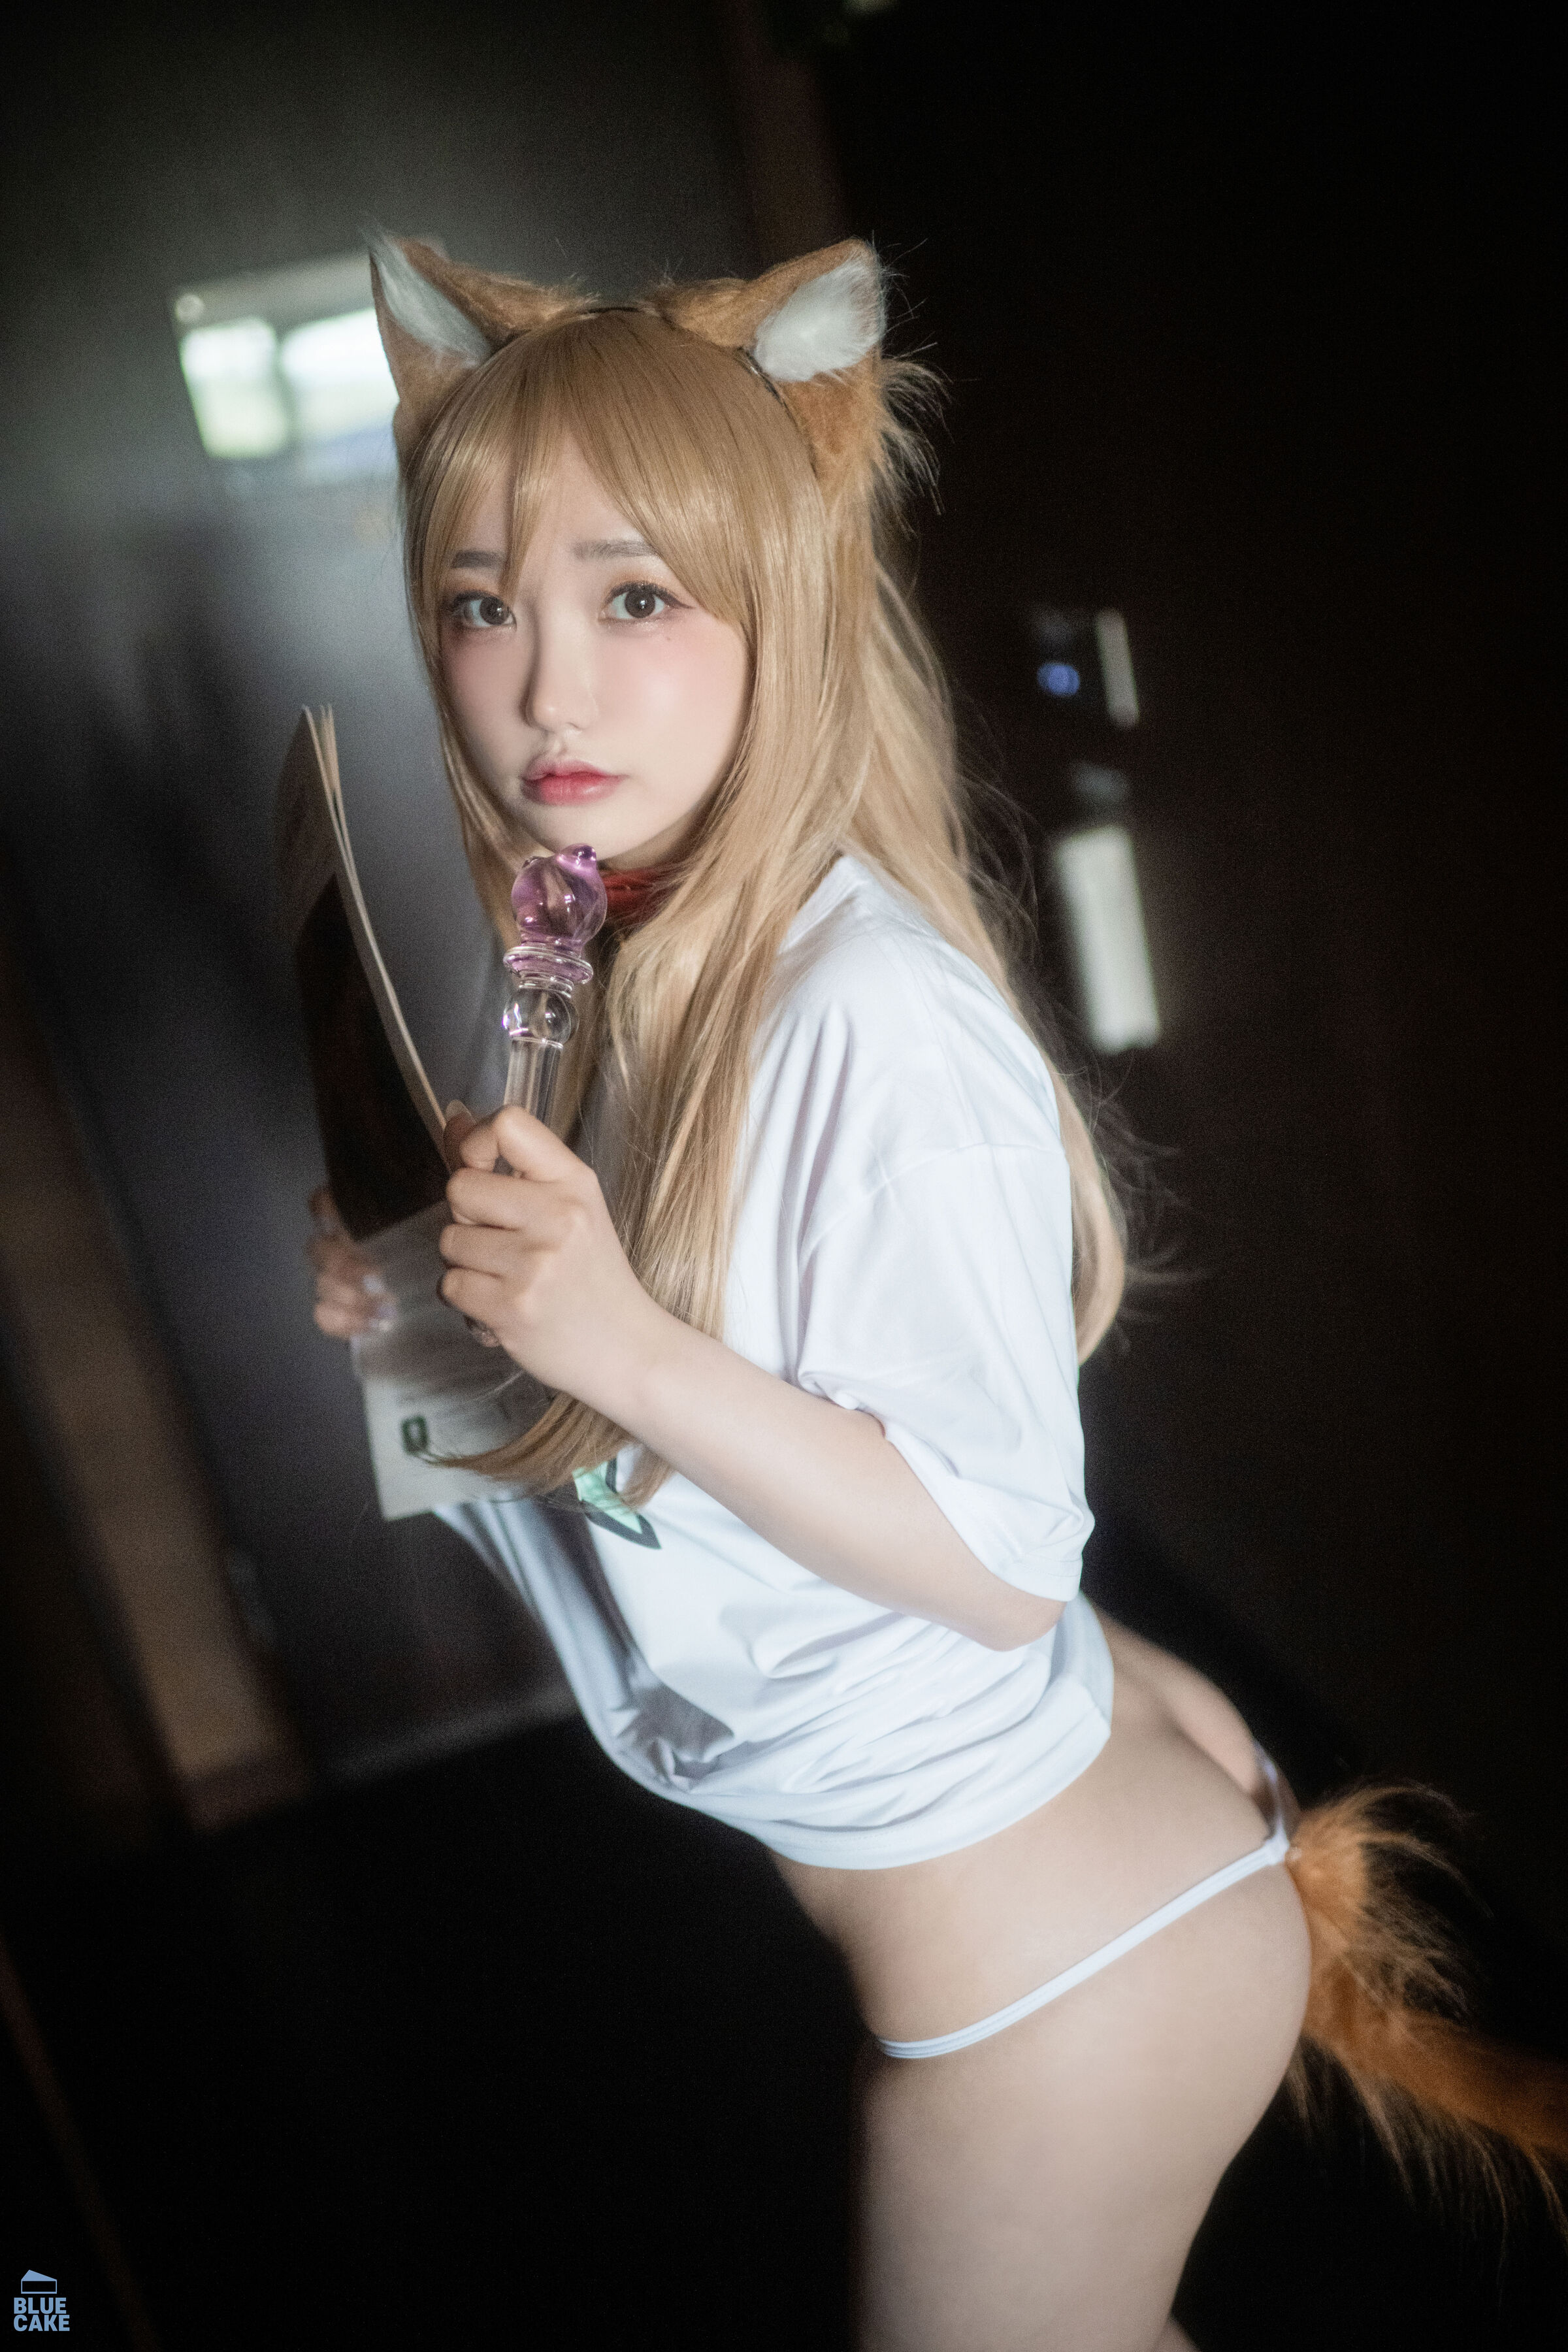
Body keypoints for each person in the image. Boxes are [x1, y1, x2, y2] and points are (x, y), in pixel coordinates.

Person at [306, 232, 1565, 2350]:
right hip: (1088, 1841)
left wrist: (611, 1340)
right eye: (481, 603)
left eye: (638, 597)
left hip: (1061, 1980)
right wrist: (440, 1306)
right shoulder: (627, 968)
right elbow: (700, 1444)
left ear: (781, 604)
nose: (547, 688)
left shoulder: (860, 1015)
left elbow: (992, 1552)